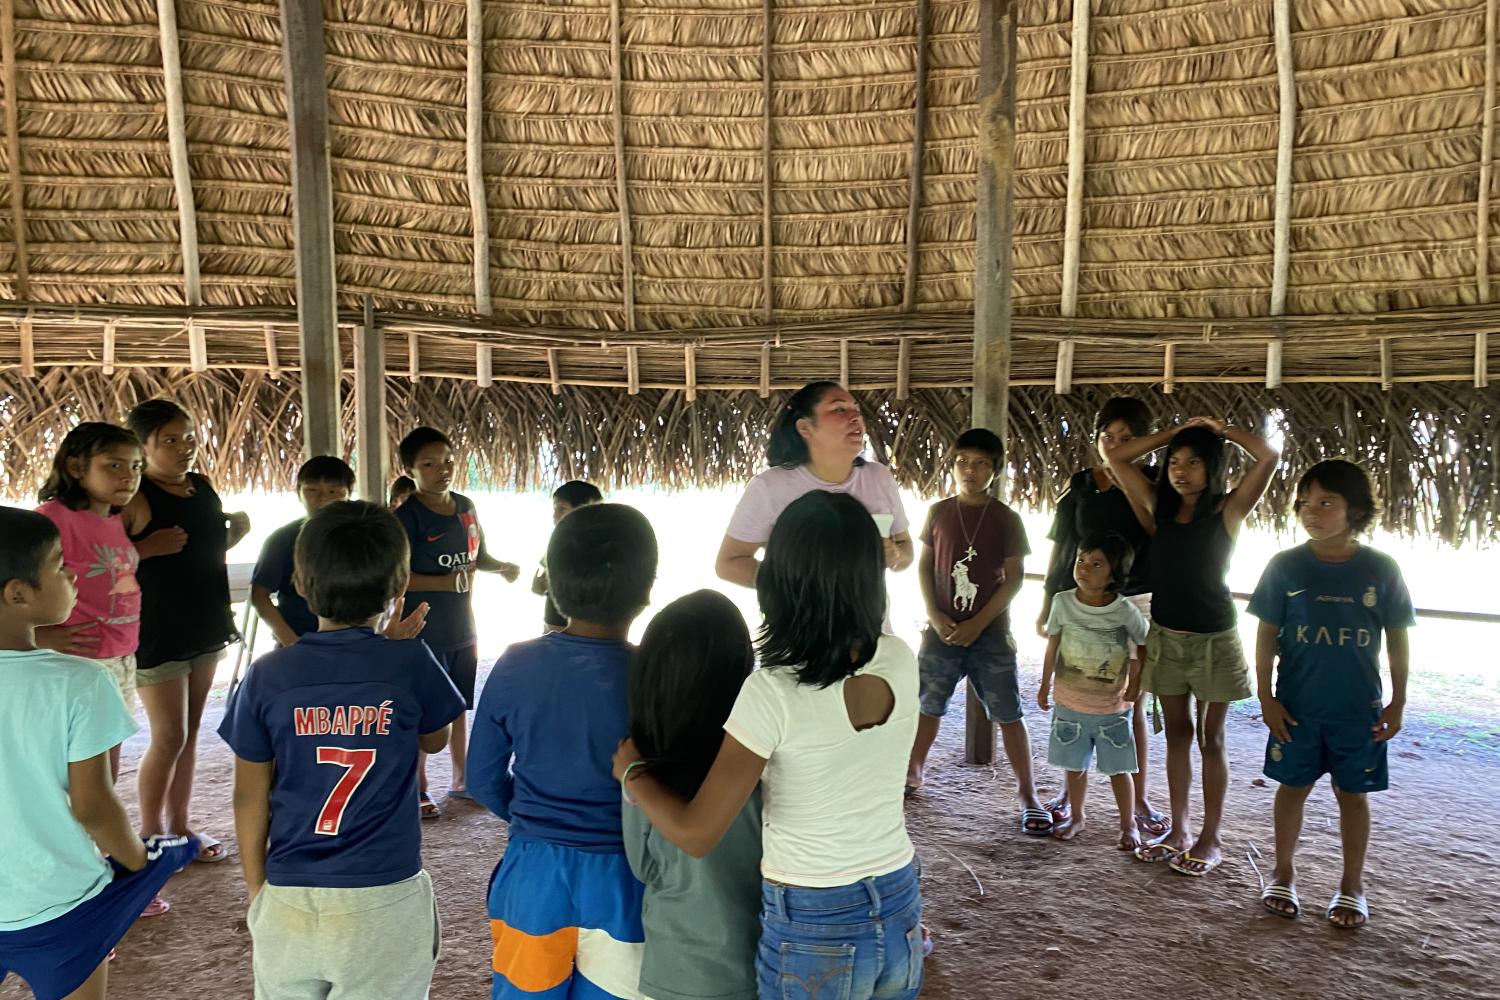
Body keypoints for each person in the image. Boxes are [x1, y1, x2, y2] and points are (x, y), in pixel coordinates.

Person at [616, 491, 924, 1000]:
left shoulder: (773, 692)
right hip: (897, 894)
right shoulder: (899, 657)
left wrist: (634, 775)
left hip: (814, 916)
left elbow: (696, 833)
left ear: (778, 582)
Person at [219, 500, 467, 998]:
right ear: (399, 589)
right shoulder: (408, 662)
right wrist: (393, 649)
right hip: (385, 896)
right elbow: (435, 741)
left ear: (301, 584)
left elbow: (248, 794)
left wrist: (255, 889)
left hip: (289, 891)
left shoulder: (268, 674)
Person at [0, 507, 196, 1000]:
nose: (72, 573)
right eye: (58, 563)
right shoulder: (79, 681)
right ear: (17, 594)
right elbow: (91, 805)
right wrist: (138, 860)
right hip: (60, 904)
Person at [468, 504, 658, 1000]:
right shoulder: (655, 674)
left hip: (534, 874)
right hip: (625, 874)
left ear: (551, 584)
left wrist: (534, 817)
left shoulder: (515, 663)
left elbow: (484, 777)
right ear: (646, 590)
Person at [1105, 416, 1278, 876]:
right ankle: (1179, 829)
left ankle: (1210, 836)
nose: (1181, 470)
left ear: (1214, 467)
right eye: (1174, 462)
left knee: (1211, 738)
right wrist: (1176, 432)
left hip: (1213, 640)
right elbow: (1117, 456)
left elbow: (1268, 456)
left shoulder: (1228, 511)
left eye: (1194, 462)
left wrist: (1221, 430)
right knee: (1178, 735)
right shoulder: (1156, 510)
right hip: (1165, 636)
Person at [1250, 461, 1412, 929]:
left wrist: (1398, 699)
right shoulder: (1285, 566)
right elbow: (1265, 635)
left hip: (1357, 710)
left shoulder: (1381, 569)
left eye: (1326, 503)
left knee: (1353, 794)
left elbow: (1398, 636)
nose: (1311, 512)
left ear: (1354, 510)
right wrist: (1266, 696)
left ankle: (1351, 885)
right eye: (1304, 503)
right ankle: (1282, 872)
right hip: (1297, 707)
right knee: (1292, 786)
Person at [122, 399, 249, 866]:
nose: (183, 449)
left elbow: (199, 550)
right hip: (156, 632)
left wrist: (232, 533)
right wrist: (145, 547)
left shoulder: (200, 488)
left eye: (188, 438)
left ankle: (179, 825)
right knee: (168, 735)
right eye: (169, 441)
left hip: (205, 622)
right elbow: (102, 563)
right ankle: (149, 834)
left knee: (192, 731)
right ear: (142, 446)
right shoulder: (135, 498)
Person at [1036, 396, 1166, 837]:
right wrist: (1047, 598)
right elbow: (1063, 546)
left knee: (1129, 704)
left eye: (1127, 439)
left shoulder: (1152, 484)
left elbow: (1158, 534)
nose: (1114, 447)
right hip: (1083, 600)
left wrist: (1128, 477)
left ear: (1145, 444)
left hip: (1136, 600)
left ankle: (1140, 795)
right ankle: (1071, 798)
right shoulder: (1081, 485)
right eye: (1107, 437)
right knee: (1077, 695)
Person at [905, 428, 1046, 834]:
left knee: (1008, 712)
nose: (971, 470)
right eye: (963, 461)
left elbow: (1014, 579)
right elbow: (923, 566)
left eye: (982, 463)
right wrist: (933, 615)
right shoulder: (937, 512)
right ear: (952, 466)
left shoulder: (1006, 518)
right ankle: (914, 771)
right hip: (942, 630)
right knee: (928, 705)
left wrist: (978, 623)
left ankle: (1027, 794)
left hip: (991, 632)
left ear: (995, 470)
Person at [623, 590, 761, 1000]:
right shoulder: (763, 761)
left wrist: (630, 775)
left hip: (676, 969)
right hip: (759, 962)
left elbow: (642, 865)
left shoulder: (643, 772)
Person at [393, 426, 520, 817]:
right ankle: (418, 787)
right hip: (422, 626)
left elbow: (476, 554)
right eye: (429, 464)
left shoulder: (465, 506)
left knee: (458, 705)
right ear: (410, 470)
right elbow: (396, 577)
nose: (441, 470)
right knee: (419, 709)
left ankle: (462, 779)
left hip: (463, 626)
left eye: (447, 461)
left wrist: (501, 567)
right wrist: (445, 583)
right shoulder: (405, 517)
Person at [715, 381, 912, 596]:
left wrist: (896, 557)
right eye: (839, 409)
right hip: (796, 627)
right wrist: (795, 586)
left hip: (872, 626)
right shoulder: (770, 487)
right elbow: (728, 564)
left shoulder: (879, 478)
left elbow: (904, 547)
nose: (855, 416)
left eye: (856, 409)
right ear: (805, 428)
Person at [35, 423, 146, 781]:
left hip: (120, 657)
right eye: (114, 465)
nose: (128, 476)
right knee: (74, 769)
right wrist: (41, 638)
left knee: (106, 767)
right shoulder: (52, 519)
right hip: (77, 661)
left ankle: (95, 836)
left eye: (136, 466)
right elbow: (13, 587)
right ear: (76, 468)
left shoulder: (113, 519)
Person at [1037, 531, 1151, 850]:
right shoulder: (1062, 602)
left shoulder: (1124, 610)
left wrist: (1136, 685)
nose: (1084, 568)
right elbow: (1053, 644)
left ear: (1115, 573)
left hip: (1111, 707)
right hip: (1069, 703)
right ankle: (1077, 817)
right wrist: (1045, 684)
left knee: (1119, 770)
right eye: (1081, 560)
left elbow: (1144, 645)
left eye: (1096, 563)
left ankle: (1128, 826)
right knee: (1074, 767)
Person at [250, 456, 355, 647]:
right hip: (299, 639)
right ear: (299, 493)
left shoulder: (363, 536)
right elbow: (259, 596)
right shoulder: (282, 539)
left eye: (333, 491)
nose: (323, 499)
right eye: (312, 490)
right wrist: (291, 642)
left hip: (355, 640)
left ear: (349, 495)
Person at [532, 480, 604, 633]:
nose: (555, 516)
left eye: (562, 509)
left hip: (584, 630)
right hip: (553, 624)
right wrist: (540, 585)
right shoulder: (558, 540)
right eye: (555, 509)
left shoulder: (602, 548)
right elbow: (543, 579)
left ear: (586, 510)